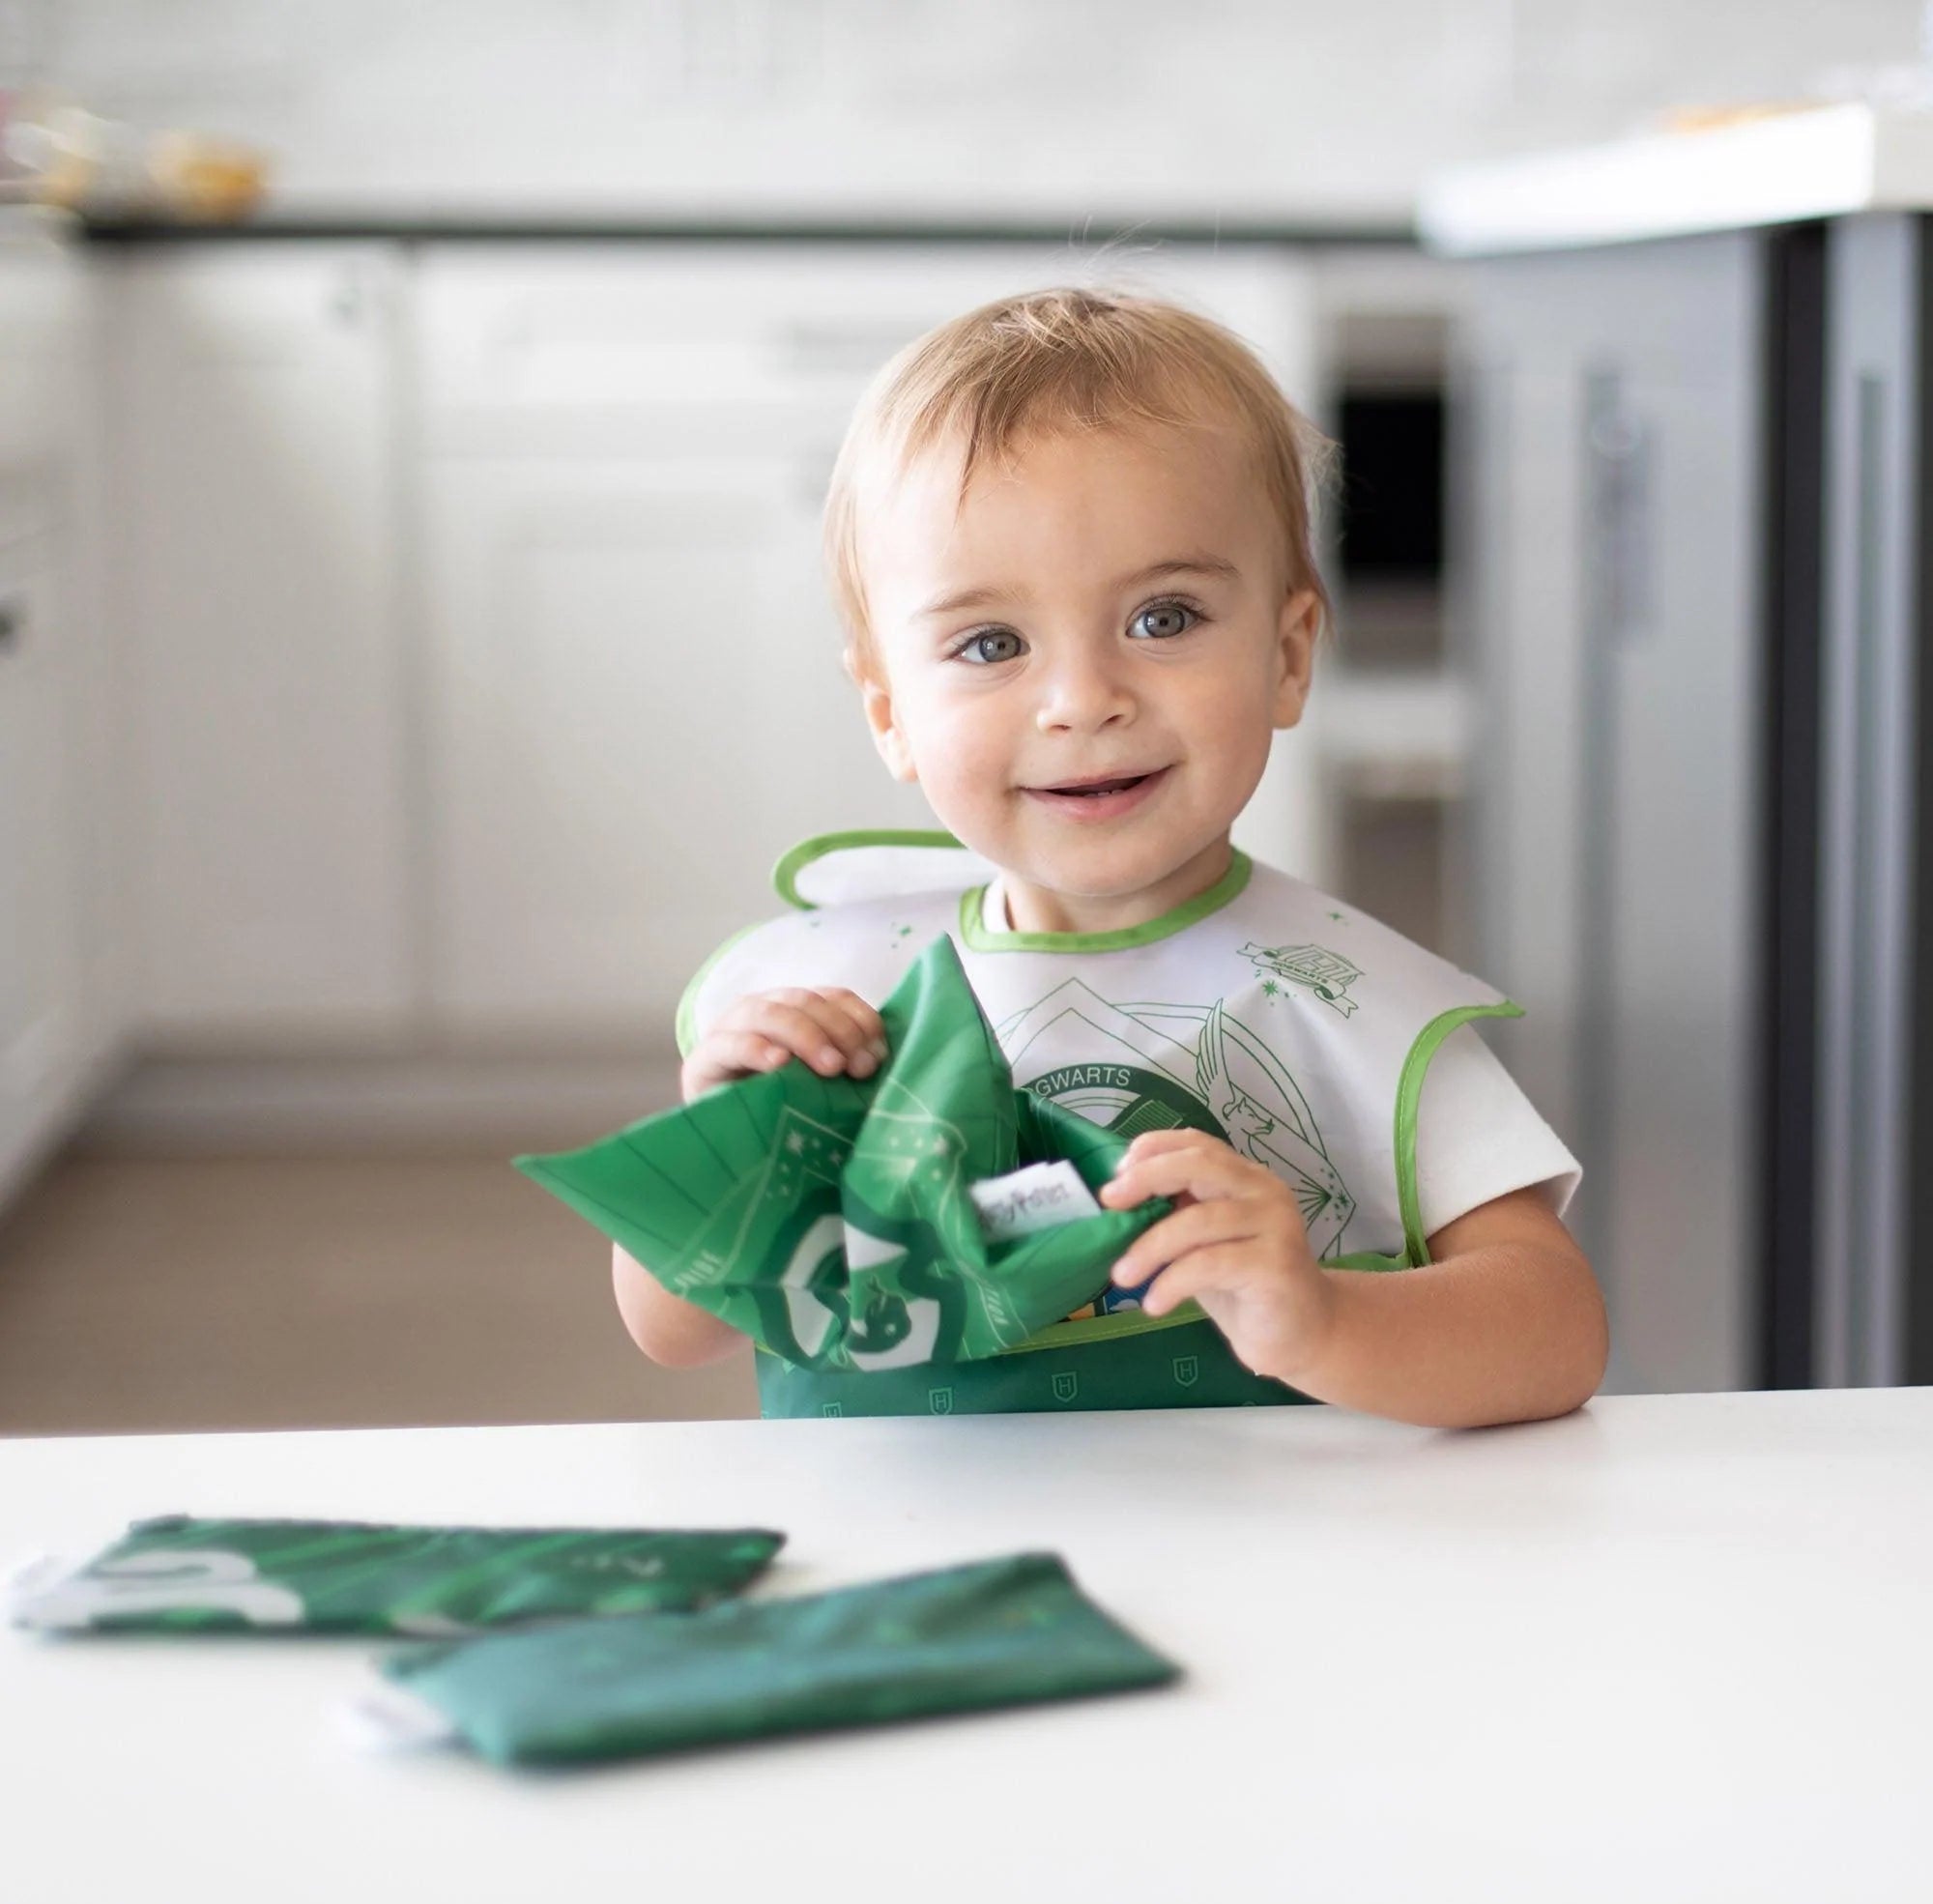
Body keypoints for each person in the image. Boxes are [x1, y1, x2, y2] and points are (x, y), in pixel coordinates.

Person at [614, 285, 1606, 1428]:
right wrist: (730, 1161)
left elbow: (1554, 1331)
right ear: (888, 709)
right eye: (990, 643)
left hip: (1263, 1564)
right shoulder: (837, 1000)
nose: (1083, 700)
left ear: (1286, 657)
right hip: (908, 1575)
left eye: (1163, 617)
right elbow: (670, 1331)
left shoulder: (1347, 999)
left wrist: (1321, 1319)